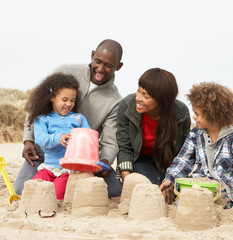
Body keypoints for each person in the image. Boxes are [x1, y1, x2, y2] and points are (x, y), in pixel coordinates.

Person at [14, 39, 124, 198]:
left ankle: (68, 183)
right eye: (98, 61)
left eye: (108, 65)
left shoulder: (115, 100)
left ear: (118, 67)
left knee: (114, 190)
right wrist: (28, 140)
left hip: (81, 158)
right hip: (47, 152)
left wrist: (105, 161)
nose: (100, 69)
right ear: (92, 55)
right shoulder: (65, 70)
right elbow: (37, 104)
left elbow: (110, 140)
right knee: (21, 189)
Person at [159, 81, 233, 208]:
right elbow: (183, 161)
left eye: (197, 114)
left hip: (225, 188)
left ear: (213, 115)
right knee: (183, 202)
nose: (194, 117)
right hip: (201, 183)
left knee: (223, 205)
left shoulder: (232, 137)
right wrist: (170, 179)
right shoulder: (195, 134)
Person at [116, 67, 191, 185]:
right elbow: (124, 148)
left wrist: (170, 181)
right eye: (138, 91)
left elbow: (183, 154)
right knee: (149, 186)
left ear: (162, 102)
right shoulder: (127, 106)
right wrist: (127, 181)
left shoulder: (181, 114)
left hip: (167, 162)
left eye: (146, 96)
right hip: (140, 158)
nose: (138, 98)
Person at [27, 73, 90, 200]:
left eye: (72, 100)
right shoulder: (43, 119)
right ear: (52, 98)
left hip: (68, 170)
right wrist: (58, 138)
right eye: (64, 99)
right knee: (34, 188)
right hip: (48, 167)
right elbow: (41, 139)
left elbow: (88, 137)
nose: (69, 104)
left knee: (57, 195)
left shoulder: (78, 118)